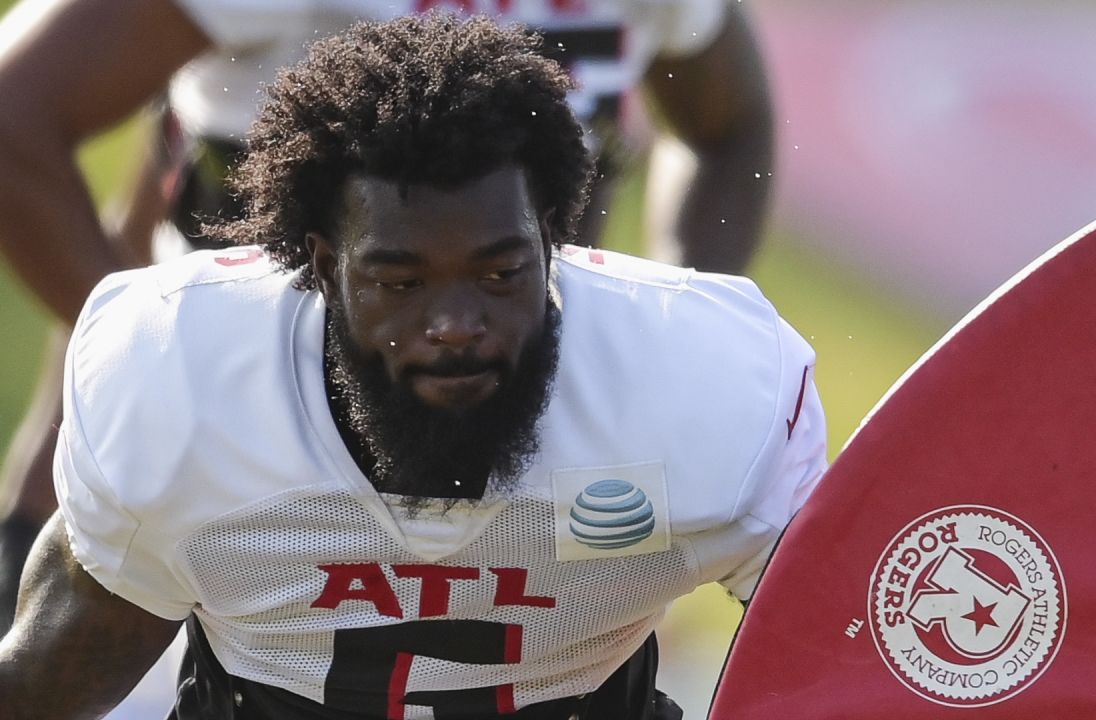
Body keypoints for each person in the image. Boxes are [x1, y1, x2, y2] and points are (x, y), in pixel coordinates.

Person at [0, 14, 821, 719]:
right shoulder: (185, 390)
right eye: (400, 281)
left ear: (553, 246)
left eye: (501, 274)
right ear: (321, 269)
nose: (457, 326)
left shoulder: (705, 388)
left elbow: (865, 653)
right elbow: (42, 683)